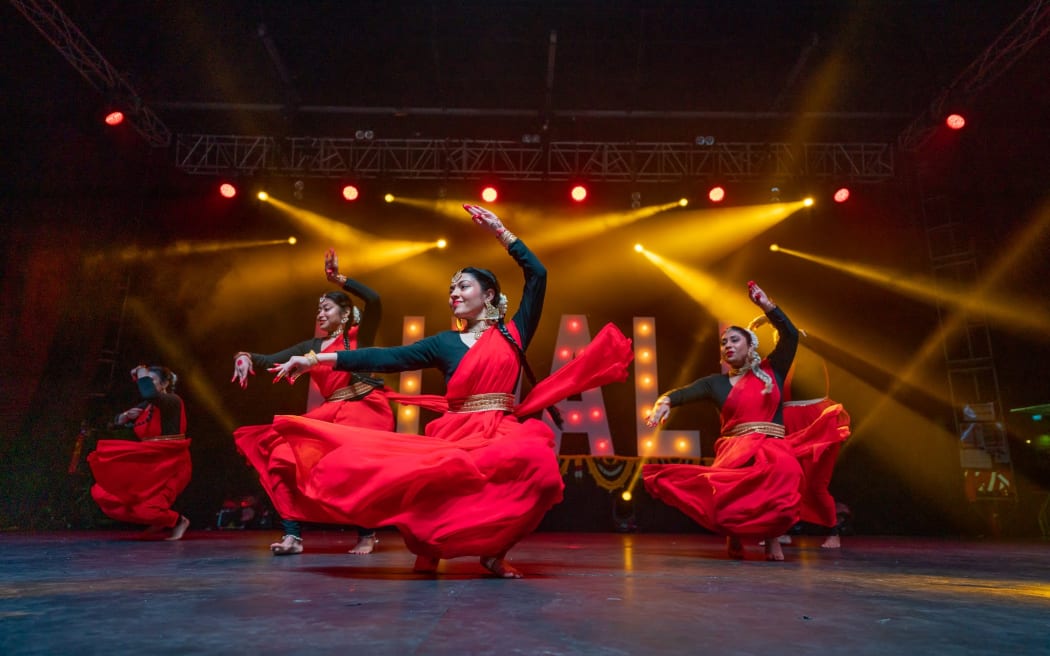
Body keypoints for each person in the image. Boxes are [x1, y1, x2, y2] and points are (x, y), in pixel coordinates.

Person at [267, 204, 633, 578]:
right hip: (458, 428)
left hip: (500, 426)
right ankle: (430, 548)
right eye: (451, 289)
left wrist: (502, 232)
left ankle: (493, 553)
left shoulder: (513, 332)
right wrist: (315, 360)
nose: (454, 294)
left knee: (538, 473)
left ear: (488, 295)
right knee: (436, 485)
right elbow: (388, 356)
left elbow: (537, 275)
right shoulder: (445, 343)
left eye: (463, 286)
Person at [232, 251, 394, 556]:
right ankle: (293, 536)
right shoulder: (312, 346)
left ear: (345, 314)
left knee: (356, 470)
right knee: (282, 457)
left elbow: (374, 300)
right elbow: (267, 359)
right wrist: (243, 357)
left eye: (327, 308)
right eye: (318, 309)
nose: (320, 314)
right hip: (332, 413)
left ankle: (367, 532)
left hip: (365, 410)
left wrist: (338, 279)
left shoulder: (360, 336)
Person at [643, 282, 808, 561]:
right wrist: (663, 403)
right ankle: (734, 534)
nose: (727, 345)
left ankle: (772, 539)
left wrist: (766, 305)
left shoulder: (773, 369)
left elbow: (790, 335)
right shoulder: (715, 384)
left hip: (773, 446)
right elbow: (681, 394)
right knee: (726, 493)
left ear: (750, 345)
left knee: (784, 471)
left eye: (734, 340)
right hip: (736, 451)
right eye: (724, 342)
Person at [748, 314, 851, 549]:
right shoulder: (777, 364)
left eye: (782, 337)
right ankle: (781, 531)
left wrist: (767, 318)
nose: (779, 341)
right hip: (788, 423)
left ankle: (833, 533)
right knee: (782, 478)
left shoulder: (808, 352)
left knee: (816, 484)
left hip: (818, 421)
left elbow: (791, 332)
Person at [87, 365, 191, 540]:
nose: (147, 383)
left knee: (147, 510)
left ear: (164, 383)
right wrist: (124, 417)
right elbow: (115, 422)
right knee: (108, 497)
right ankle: (162, 521)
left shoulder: (173, 401)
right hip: (149, 461)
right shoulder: (148, 405)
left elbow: (149, 393)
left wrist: (142, 373)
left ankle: (179, 521)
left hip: (171, 463)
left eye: (152, 380)